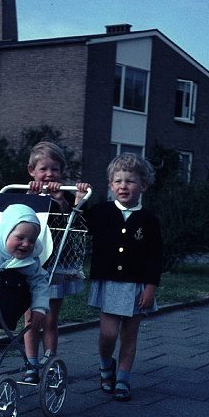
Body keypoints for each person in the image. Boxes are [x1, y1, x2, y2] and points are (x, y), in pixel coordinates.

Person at [84, 153, 163, 402]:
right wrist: (77, 199)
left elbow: (155, 256)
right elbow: (77, 220)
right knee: (108, 334)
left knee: (129, 335)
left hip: (136, 286)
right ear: (110, 185)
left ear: (143, 185)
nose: (123, 186)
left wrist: (150, 287)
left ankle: (123, 379)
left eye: (130, 181)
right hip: (108, 283)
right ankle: (106, 366)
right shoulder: (101, 212)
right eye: (117, 181)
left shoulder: (149, 221)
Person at [22, 141, 91, 382]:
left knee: (50, 318)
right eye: (44, 169)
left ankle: (50, 360)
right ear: (32, 171)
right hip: (32, 263)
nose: (50, 174)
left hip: (57, 263)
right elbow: (21, 220)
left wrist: (63, 199)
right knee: (31, 318)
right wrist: (33, 197)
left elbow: (71, 223)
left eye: (55, 169)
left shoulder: (65, 195)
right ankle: (31, 364)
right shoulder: (27, 192)